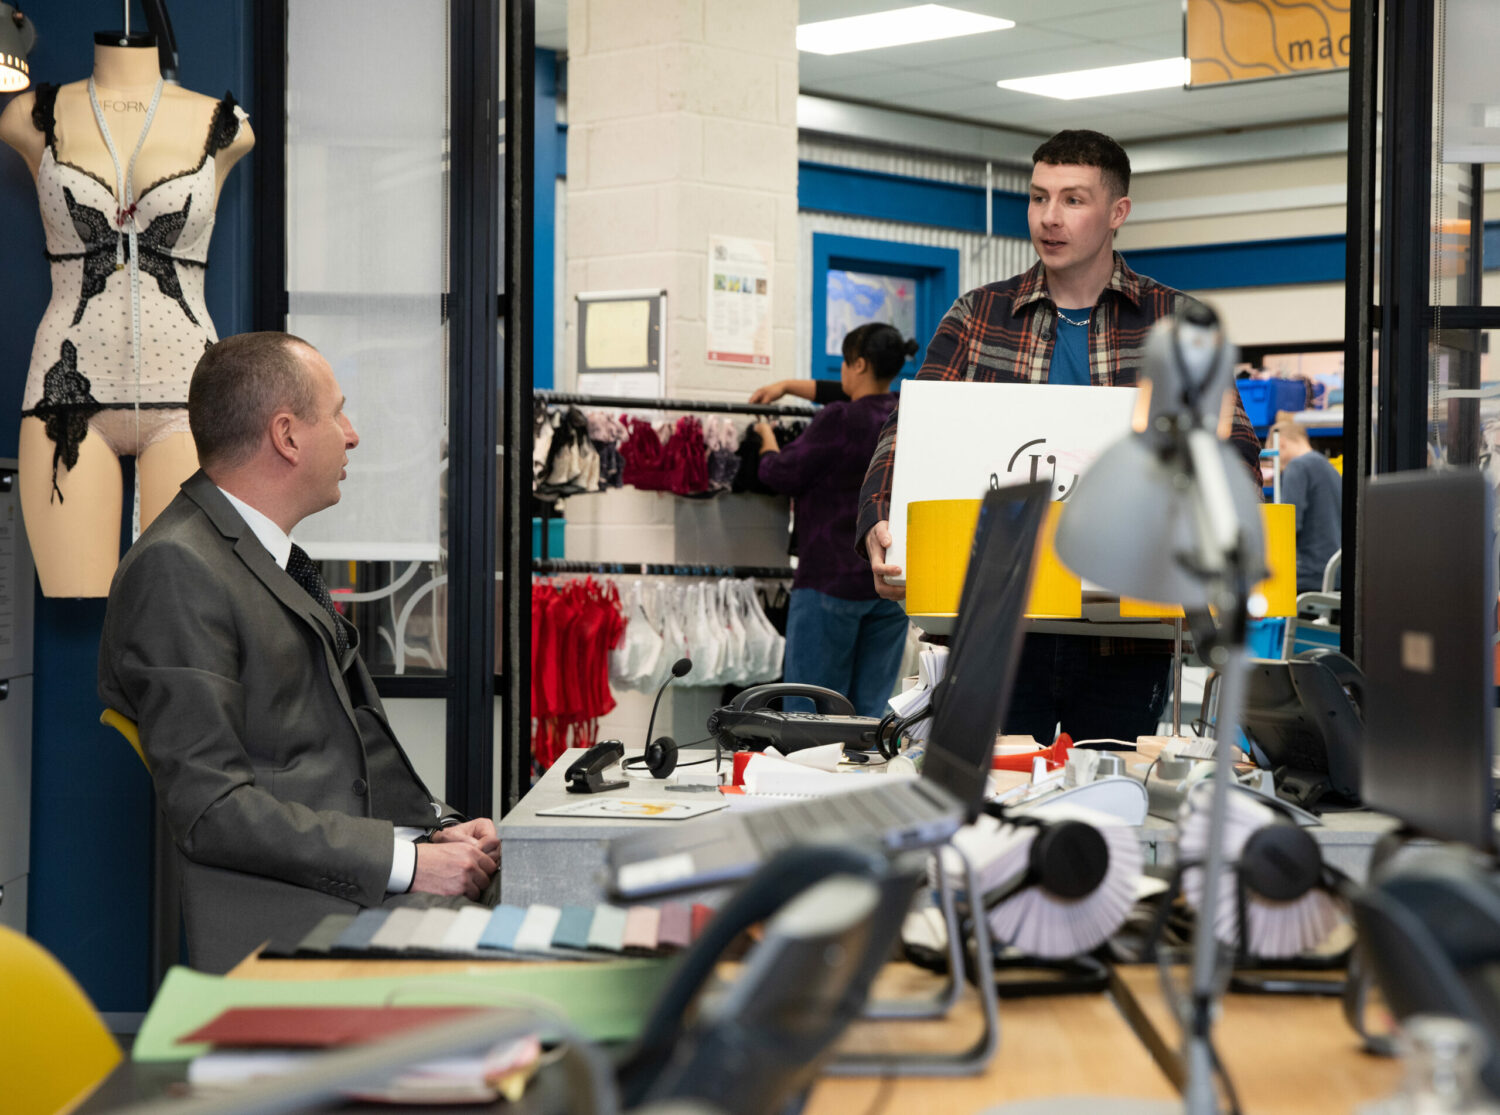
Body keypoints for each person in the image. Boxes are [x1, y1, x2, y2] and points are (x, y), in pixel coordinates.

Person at [98, 332, 499, 973]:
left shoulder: (263, 555)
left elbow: (342, 752)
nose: (352, 435)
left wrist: (436, 828)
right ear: (286, 436)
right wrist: (408, 863)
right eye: (337, 413)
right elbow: (211, 809)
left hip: (356, 888)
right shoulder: (177, 568)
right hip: (303, 918)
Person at [856, 129, 1264, 745]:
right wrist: (879, 521)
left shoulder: (1176, 323)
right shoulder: (976, 316)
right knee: (986, 795)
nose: (1049, 217)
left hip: (1126, 635)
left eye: (1073, 199)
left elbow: (1235, 453)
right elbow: (907, 432)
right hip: (995, 626)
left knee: (1109, 791)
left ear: (1117, 212)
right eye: (1038, 197)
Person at [0, 36, 253, 597]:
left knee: (176, 606)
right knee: (76, 586)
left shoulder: (223, 124)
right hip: (65, 391)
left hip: (186, 393)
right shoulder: (30, 115)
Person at [751, 324, 916, 717]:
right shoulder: (904, 411)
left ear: (858, 364)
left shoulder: (839, 420)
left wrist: (766, 439)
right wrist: (787, 386)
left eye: (845, 362)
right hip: (889, 582)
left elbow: (780, 474)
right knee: (869, 716)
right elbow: (850, 395)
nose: (840, 371)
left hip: (830, 583)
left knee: (809, 716)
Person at [1271, 416, 1342, 593]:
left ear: (1281, 444)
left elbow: (1288, 527)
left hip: (1309, 576)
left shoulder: (1297, 467)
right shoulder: (1329, 468)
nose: (1275, 466)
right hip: (1335, 574)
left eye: (1272, 458)